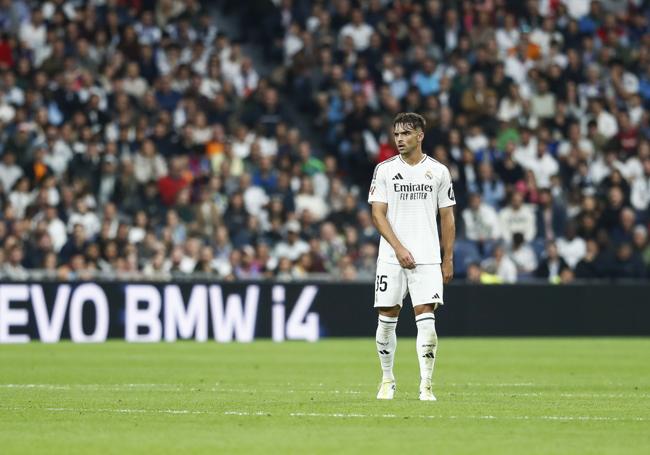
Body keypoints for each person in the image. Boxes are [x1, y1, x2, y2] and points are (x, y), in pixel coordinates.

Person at [368, 112, 456, 401]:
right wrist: (398, 248)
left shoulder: (439, 172)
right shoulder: (384, 170)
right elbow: (377, 214)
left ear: (420, 135)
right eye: (396, 134)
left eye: (405, 133)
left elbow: (448, 217)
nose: (399, 139)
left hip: (428, 257)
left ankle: (426, 385)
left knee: (427, 320)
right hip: (391, 258)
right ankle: (387, 379)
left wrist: (448, 258)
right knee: (386, 319)